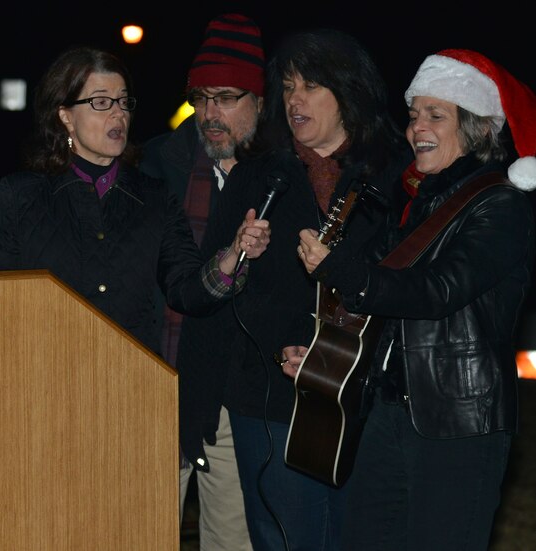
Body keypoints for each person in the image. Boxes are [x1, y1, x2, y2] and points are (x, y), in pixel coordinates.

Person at [296, 48, 536, 550]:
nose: (416, 127)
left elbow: (437, 291)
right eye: (412, 114)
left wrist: (340, 268)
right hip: (391, 413)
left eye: (435, 115)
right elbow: (381, 304)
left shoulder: (502, 205)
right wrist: (324, 357)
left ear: (476, 127)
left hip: (460, 424)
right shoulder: (418, 200)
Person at [184, 29, 411, 550]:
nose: (293, 100)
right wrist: (284, 341)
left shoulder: (397, 176)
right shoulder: (259, 177)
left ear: (349, 93)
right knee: (284, 538)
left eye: (310, 86)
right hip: (268, 398)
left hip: (365, 400)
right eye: (287, 87)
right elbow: (216, 286)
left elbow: (410, 285)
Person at [0, 46, 270, 369]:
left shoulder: (153, 197)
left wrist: (231, 256)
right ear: (65, 115)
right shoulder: (20, 196)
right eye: (100, 102)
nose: (118, 114)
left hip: (132, 387)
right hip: (43, 381)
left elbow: (185, 290)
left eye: (123, 102)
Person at [139, 13, 264, 550]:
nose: (210, 113)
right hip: (158, 381)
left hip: (235, 393)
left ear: (259, 101)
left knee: (233, 540)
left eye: (227, 97)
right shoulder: (154, 164)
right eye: (202, 96)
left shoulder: (281, 172)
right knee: (142, 530)